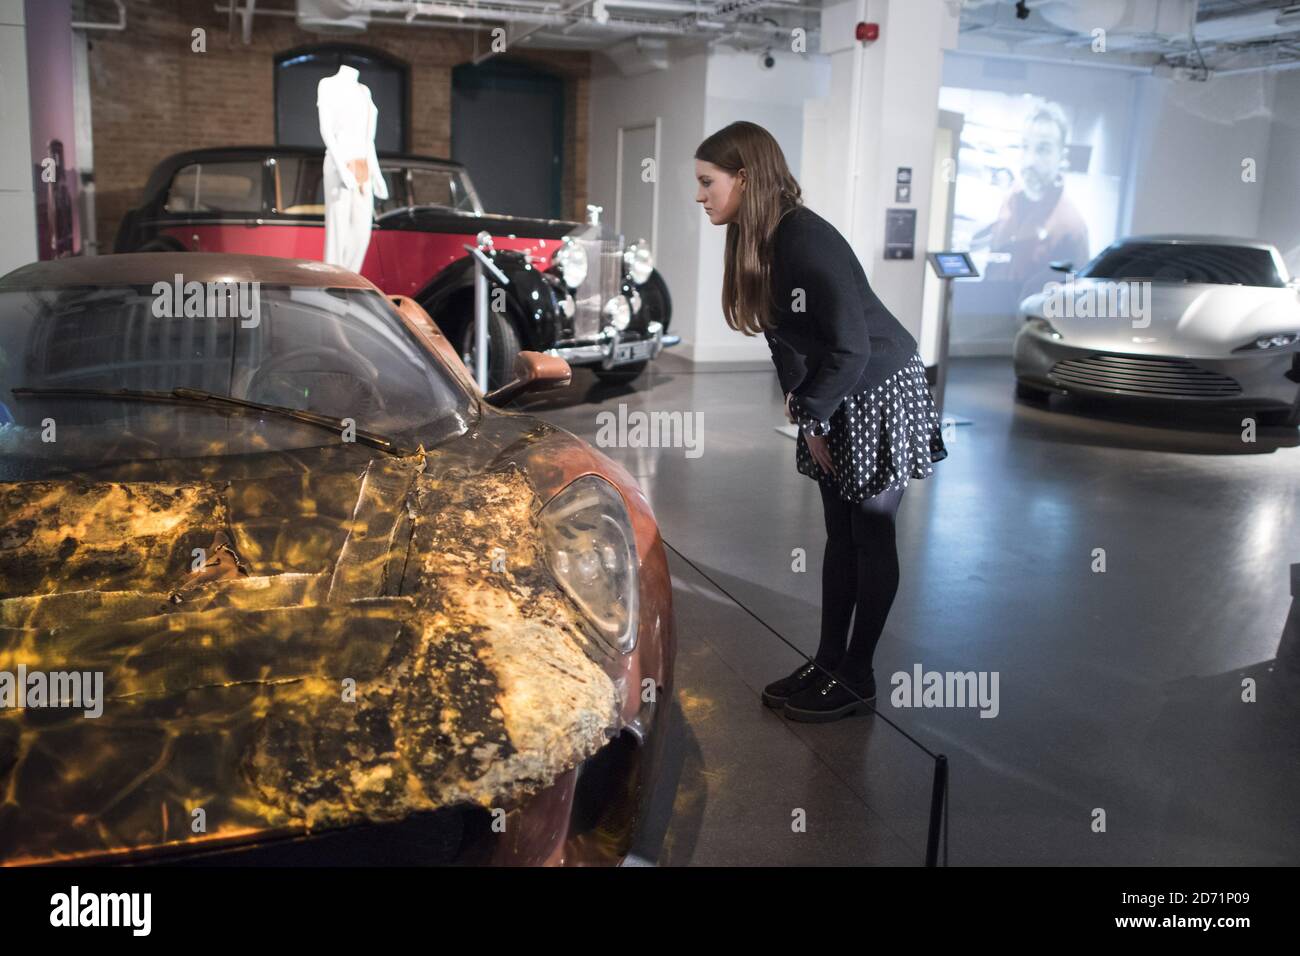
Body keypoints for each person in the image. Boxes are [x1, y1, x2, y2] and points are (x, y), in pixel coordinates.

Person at [693, 121, 948, 723]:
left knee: (871, 530)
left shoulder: (804, 238)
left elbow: (853, 346)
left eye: (708, 182)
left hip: (880, 389)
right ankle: (829, 660)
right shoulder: (761, 238)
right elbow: (784, 336)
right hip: (836, 394)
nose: (700, 195)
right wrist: (807, 413)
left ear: (745, 178)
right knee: (841, 533)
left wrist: (813, 410)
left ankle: (858, 676)